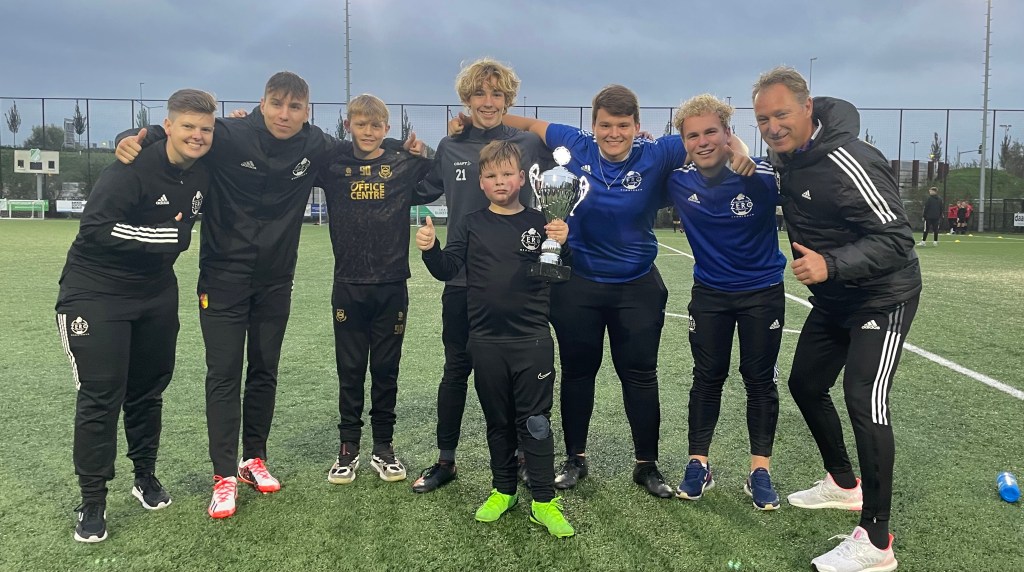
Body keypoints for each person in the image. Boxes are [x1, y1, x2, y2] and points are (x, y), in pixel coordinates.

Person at [115, 72, 415, 519]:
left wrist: (404, 149)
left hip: (276, 280)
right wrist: (129, 137)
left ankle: (253, 459)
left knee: (264, 370)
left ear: (307, 112)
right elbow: (178, 133)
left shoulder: (315, 144)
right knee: (224, 374)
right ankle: (223, 477)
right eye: (277, 104)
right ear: (262, 102)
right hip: (223, 278)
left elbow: (362, 146)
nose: (284, 114)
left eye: (295, 107)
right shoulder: (230, 134)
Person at [502, 85, 754, 498]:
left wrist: (740, 151)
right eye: (605, 125)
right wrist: (473, 121)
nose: (613, 133)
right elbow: (527, 123)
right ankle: (575, 459)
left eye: (622, 125)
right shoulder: (574, 143)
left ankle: (646, 464)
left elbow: (715, 138)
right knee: (578, 373)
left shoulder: (658, 152)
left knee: (640, 375)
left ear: (637, 126)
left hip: (636, 285)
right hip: (578, 283)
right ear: (593, 125)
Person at [753, 66, 920, 572]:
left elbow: (897, 239)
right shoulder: (786, 156)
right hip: (834, 300)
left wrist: (832, 264)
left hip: (881, 296)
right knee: (805, 384)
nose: (773, 127)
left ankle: (877, 542)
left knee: (864, 400)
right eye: (763, 119)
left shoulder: (851, 158)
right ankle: (844, 484)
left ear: (807, 108)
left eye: (782, 114)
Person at [57, 89, 217, 542]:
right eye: (187, 126)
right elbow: (95, 228)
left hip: (155, 294)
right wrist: (167, 237)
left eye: (205, 129)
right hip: (96, 293)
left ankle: (144, 476)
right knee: (101, 395)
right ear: (168, 127)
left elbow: (239, 136)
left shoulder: (203, 167)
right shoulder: (129, 167)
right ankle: (92, 500)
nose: (197, 135)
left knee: (148, 391)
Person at [416, 140, 573, 537]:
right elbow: (448, 267)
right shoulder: (470, 223)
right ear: (481, 183)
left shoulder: (542, 221)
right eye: (491, 175)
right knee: (498, 421)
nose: (500, 181)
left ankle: (544, 501)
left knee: (536, 423)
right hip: (485, 340)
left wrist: (563, 243)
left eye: (507, 174)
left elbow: (559, 273)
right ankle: (504, 490)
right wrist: (431, 249)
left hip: (531, 340)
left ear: (522, 178)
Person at [411, 57, 554, 494]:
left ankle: (525, 457)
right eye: (479, 93)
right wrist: (406, 151)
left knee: (519, 376)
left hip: (518, 285)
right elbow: (417, 186)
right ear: (466, 99)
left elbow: (573, 162)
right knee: (456, 371)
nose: (488, 101)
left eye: (496, 94)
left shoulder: (527, 144)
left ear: (508, 100)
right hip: (462, 282)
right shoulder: (451, 146)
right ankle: (446, 460)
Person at [666, 94, 786, 511]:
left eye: (710, 132)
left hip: (762, 293)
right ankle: (698, 464)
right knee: (707, 377)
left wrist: (746, 157)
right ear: (684, 142)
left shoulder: (761, 175)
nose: (702, 142)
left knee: (759, 380)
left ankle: (760, 472)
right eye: (693, 135)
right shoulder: (678, 181)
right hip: (710, 295)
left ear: (728, 134)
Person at [316, 94, 436, 485]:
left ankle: (383, 447)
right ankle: (347, 447)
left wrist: (417, 150)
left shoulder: (403, 163)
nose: (368, 132)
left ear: (387, 128)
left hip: (391, 284)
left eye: (376, 126)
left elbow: (436, 178)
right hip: (348, 284)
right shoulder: (332, 164)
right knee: (350, 370)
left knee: (386, 370)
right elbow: (298, 154)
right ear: (348, 125)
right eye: (360, 124)